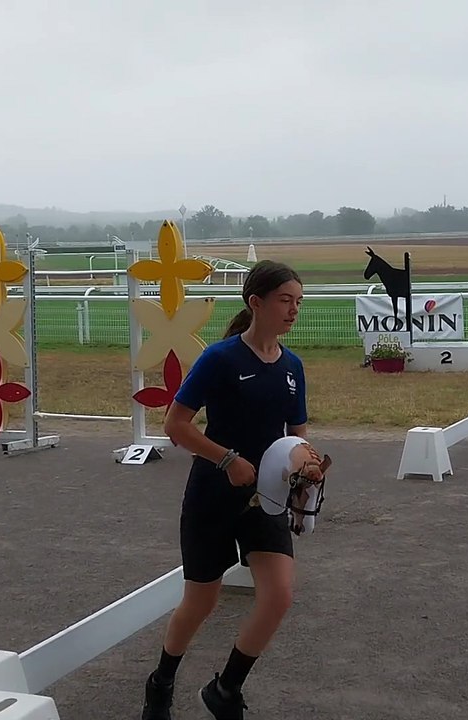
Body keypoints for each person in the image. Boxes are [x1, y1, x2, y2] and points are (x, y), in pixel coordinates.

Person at [140, 259, 315, 720]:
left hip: (268, 498)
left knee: (278, 596)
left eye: (299, 301)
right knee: (202, 600)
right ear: (255, 302)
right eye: (285, 300)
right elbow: (175, 425)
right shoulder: (220, 359)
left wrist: (308, 466)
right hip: (213, 495)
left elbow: (295, 437)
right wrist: (226, 458)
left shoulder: (293, 367)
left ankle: (225, 689)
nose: (294, 310)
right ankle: (160, 683)